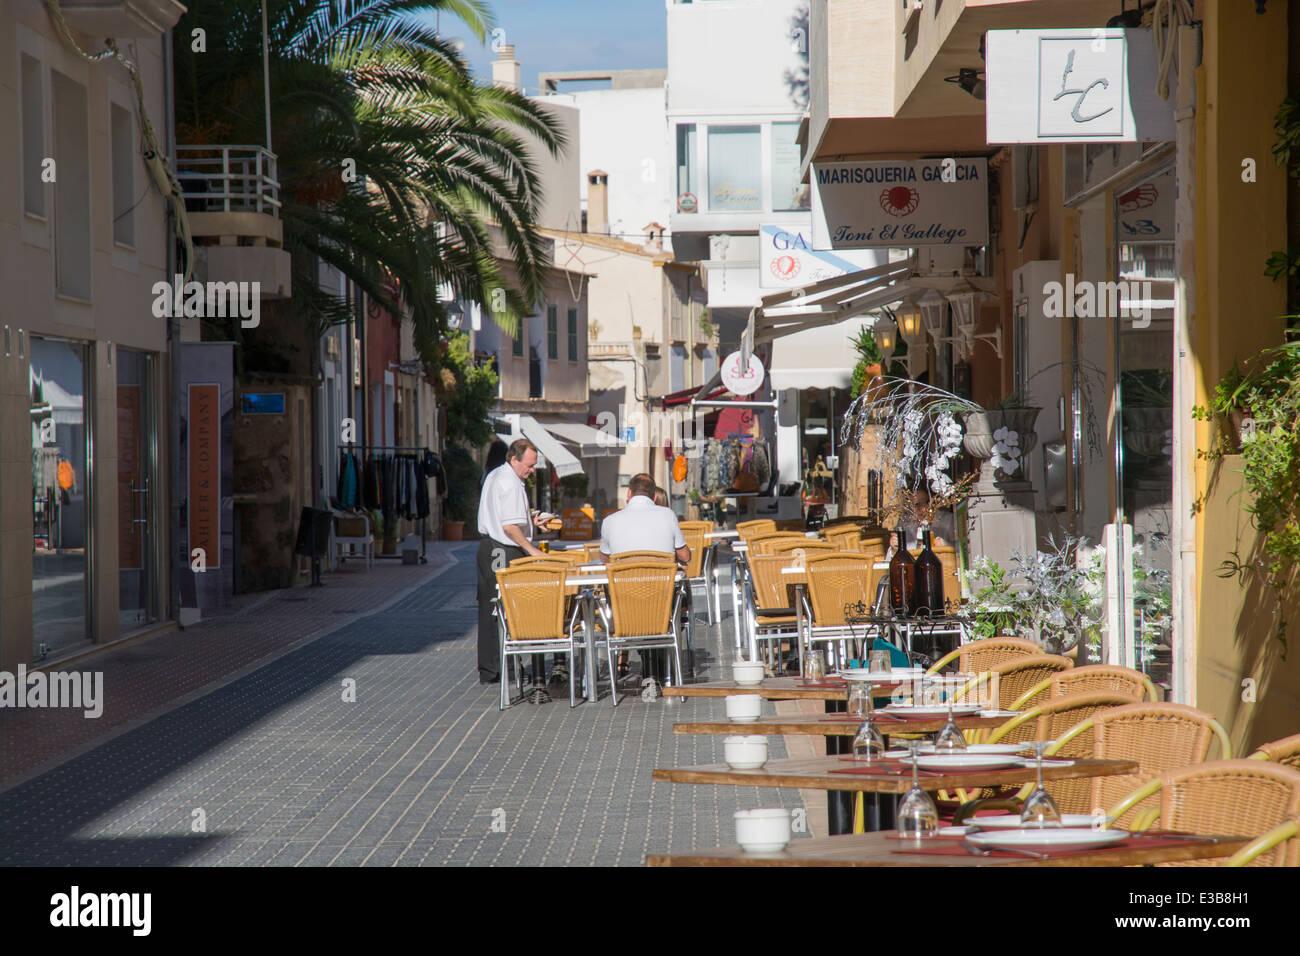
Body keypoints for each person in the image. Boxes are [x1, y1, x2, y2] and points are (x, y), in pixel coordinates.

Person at [600, 473, 690, 687]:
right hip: (660, 603)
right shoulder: (667, 515)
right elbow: (685, 556)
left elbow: (605, 558)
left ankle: (649, 671)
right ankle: (656, 672)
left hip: (625, 606)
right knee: (663, 605)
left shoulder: (610, 521)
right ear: (655, 497)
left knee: (635, 608)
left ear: (628, 494)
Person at [476, 438, 549, 684]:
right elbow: (508, 527)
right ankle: (504, 667)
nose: (531, 471)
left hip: (489, 548)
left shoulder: (497, 475)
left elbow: (503, 517)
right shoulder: (510, 482)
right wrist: (532, 550)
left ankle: (492, 669)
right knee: (506, 610)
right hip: (503, 550)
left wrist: (530, 522)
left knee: (491, 608)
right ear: (514, 459)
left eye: (534, 466)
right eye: (528, 465)